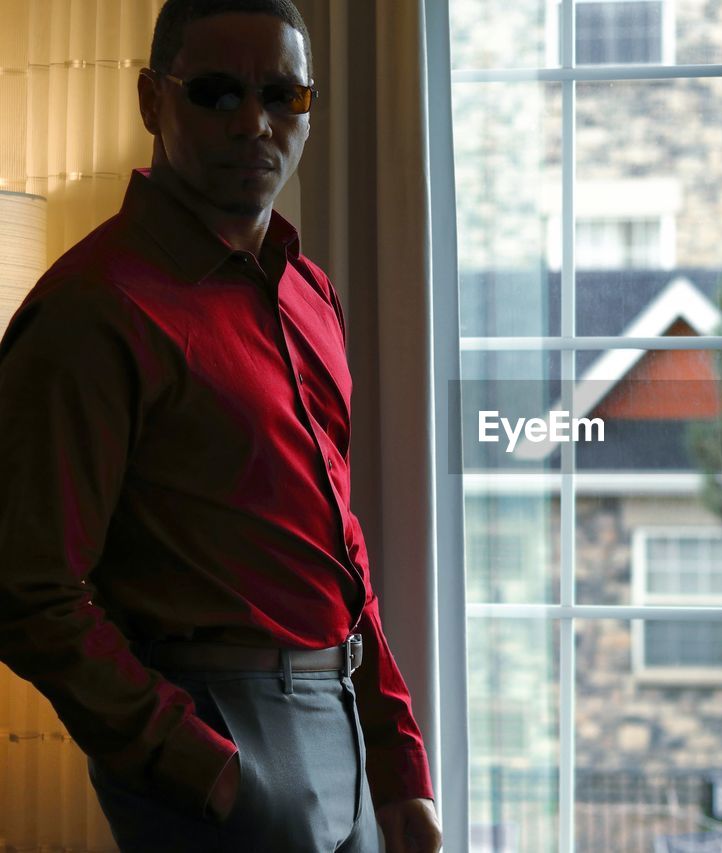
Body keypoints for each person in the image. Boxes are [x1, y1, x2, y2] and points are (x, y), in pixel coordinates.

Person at [0, 1, 443, 851]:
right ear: (149, 103)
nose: (254, 123)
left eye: (285, 95)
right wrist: (195, 761)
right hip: (219, 736)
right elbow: (27, 588)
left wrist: (399, 767)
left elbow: (339, 551)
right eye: (215, 93)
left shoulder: (309, 292)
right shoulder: (92, 311)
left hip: (343, 722)